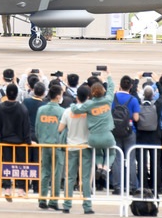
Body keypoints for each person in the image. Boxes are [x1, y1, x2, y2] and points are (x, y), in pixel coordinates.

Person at [70, 70, 115, 182]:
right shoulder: (107, 101)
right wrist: (108, 76)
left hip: (93, 136)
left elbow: (76, 110)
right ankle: (105, 168)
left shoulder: (89, 104)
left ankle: (99, 166)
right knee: (112, 152)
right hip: (107, 135)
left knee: (98, 152)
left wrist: (71, 104)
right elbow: (111, 88)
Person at [0, 83, 31, 200]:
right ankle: (21, 188)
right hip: (20, 142)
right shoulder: (22, 108)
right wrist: (28, 141)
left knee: (5, 164)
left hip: (5, 142)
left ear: (6, 94)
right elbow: (26, 126)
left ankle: (7, 188)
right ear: (17, 94)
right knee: (21, 165)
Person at [59, 84, 93, 214]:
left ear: (77, 97)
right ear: (88, 97)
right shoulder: (89, 112)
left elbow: (60, 129)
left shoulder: (68, 111)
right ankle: (87, 205)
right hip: (85, 146)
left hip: (71, 146)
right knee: (85, 177)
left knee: (70, 177)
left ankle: (67, 204)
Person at [36, 84, 66, 210]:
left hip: (44, 144)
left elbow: (37, 128)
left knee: (44, 172)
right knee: (56, 173)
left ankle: (42, 198)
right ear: (58, 96)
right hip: (57, 145)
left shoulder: (41, 110)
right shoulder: (61, 111)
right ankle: (53, 200)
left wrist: (41, 140)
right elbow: (63, 131)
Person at [111, 75, 140, 195]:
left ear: (120, 85)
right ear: (131, 86)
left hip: (115, 130)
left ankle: (117, 186)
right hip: (129, 131)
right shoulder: (133, 100)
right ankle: (132, 186)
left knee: (117, 158)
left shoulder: (113, 98)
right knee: (131, 159)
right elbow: (136, 118)